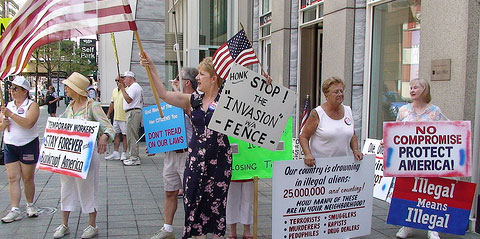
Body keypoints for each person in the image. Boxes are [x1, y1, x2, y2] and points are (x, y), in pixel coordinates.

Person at [140, 52, 232, 239]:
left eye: (202, 74)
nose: (197, 77)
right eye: (197, 73)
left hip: (219, 163)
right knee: (193, 204)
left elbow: (256, 105)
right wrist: (151, 68)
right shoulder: (193, 101)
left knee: (216, 206)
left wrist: (265, 85)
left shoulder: (228, 100)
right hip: (195, 161)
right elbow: (163, 94)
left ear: (214, 78)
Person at [52, 72, 115, 239]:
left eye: (68, 86)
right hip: (68, 156)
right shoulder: (69, 107)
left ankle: (92, 225)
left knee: (88, 189)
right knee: (66, 187)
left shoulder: (92, 105)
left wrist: (104, 136)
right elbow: (60, 125)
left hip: (86, 155)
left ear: (76, 89)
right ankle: (64, 224)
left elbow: (108, 128)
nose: (65, 89)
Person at [394, 78, 446, 239]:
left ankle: (432, 227)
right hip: (408, 160)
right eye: (411, 87)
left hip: (429, 159)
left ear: (425, 90)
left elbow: (449, 130)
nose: (412, 90)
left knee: (429, 192)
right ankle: (407, 225)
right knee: (409, 191)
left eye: (416, 87)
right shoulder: (403, 110)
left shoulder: (435, 111)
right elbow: (395, 130)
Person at [150, 67, 198, 239]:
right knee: (170, 191)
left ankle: (193, 228)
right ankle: (167, 228)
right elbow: (163, 124)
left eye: (178, 78)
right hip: (172, 153)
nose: (174, 81)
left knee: (191, 194)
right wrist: (154, 144)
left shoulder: (196, 100)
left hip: (188, 153)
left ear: (187, 82)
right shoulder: (172, 100)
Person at [0, 76, 40, 223]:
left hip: (28, 144)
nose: (12, 91)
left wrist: (11, 115)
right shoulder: (8, 106)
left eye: (16, 89)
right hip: (10, 145)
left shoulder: (32, 105)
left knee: (27, 178)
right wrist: (4, 123)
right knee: (12, 178)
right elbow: (0, 127)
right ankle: (15, 209)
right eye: (11, 88)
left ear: (25, 91)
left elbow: (28, 123)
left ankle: (30, 205)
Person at [299, 76, 363, 167]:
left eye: (341, 91)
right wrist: (308, 154)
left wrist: (355, 150)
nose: (340, 94)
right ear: (326, 94)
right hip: (320, 167)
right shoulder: (317, 113)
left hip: (344, 167)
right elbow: (303, 136)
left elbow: (352, 135)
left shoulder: (348, 110)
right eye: (336, 92)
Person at [119, 71, 144, 166]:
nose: (124, 80)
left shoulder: (134, 87)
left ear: (130, 78)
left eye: (125, 78)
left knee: (131, 135)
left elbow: (129, 99)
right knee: (131, 134)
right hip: (134, 111)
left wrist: (122, 89)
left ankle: (134, 157)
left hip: (133, 112)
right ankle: (133, 155)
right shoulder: (135, 87)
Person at [105, 75, 128, 161]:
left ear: (123, 80)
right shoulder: (114, 91)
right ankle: (116, 152)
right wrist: (108, 114)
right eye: (115, 80)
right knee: (116, 134)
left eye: (118, 80)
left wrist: (123, 89)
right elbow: (112, 103)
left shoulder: (128, 90)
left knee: (125, 135)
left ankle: (124, 152)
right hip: (116, 116)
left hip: (124, 117)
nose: (117, 82)